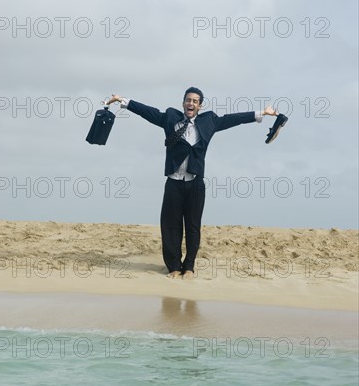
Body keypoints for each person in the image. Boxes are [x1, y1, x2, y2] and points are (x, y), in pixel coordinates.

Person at [105, 88, 280, 280]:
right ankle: (173, 266)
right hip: (173, 183)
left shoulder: (209, 122)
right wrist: (122, 100)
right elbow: (148, 111)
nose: (191, 104)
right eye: (188, 100)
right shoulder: (170, 118)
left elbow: (233, 119)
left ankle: (189, 267)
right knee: (170, 226)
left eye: (195, 101)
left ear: (200, 105)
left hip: (195, 184)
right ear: (183, 103)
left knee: (193, 227)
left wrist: (262, 113)